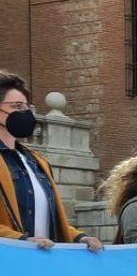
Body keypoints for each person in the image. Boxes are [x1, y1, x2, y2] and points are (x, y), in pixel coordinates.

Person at [0, 70, 102, 252]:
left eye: (26, 107)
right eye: (16, 106)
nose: (24, 113)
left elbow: (53, 220)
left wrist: (79, 237)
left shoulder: (37, 161)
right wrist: (21, 240)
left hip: (43, 264)